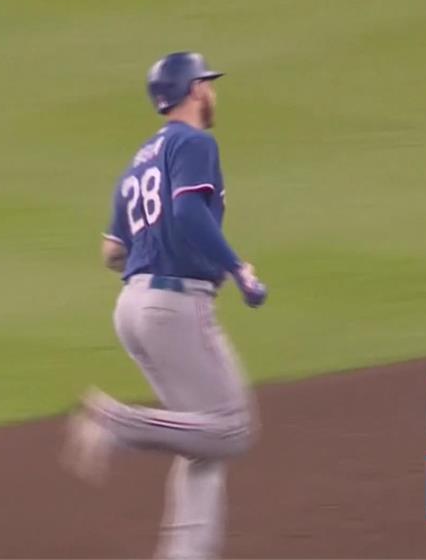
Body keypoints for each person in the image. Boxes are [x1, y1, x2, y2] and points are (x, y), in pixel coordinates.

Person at [62, 51, 267, 560]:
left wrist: (154, 249)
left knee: (200, 440)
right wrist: (237, 268)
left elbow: (112, 251)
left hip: (134, 305)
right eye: (207, 83)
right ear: (193, 90)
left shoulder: (139, 162)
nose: (212, 92)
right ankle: (116, 421)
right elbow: (189, 211)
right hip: (175, 305)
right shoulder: (194, 142)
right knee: (233, 429)